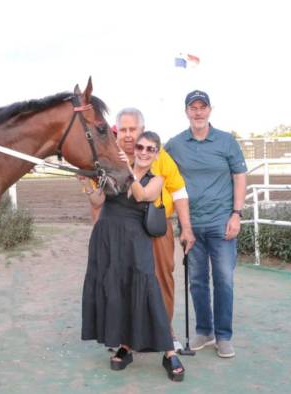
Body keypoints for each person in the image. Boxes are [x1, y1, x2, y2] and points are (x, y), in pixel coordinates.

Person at [79, 108, 196, 349]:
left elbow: (179, 191)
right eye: (124, 129)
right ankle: (126, 338)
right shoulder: (106, 155)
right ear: (116, 131)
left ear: (142, 131)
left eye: (134, 129)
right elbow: (98, 198)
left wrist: (186, 228)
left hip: (155, 227)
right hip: (121, 231)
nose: (129, 135)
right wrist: (99, 227)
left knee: (160, 279)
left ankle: (166, 332)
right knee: (121, 281)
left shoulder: (157, 154)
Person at [165, 90, 247, 358]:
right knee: (198, 281)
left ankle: (223, 335)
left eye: (202, 107)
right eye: (193, 107)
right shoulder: (176, 144)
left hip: (222, 224)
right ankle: (204, 330)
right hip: (191, 226)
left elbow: (239, 176)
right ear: (186, 111)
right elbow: (156, 166)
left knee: (224, 280)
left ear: (210, 110)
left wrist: (237, 213)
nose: (198, 112)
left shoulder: (226, 141)